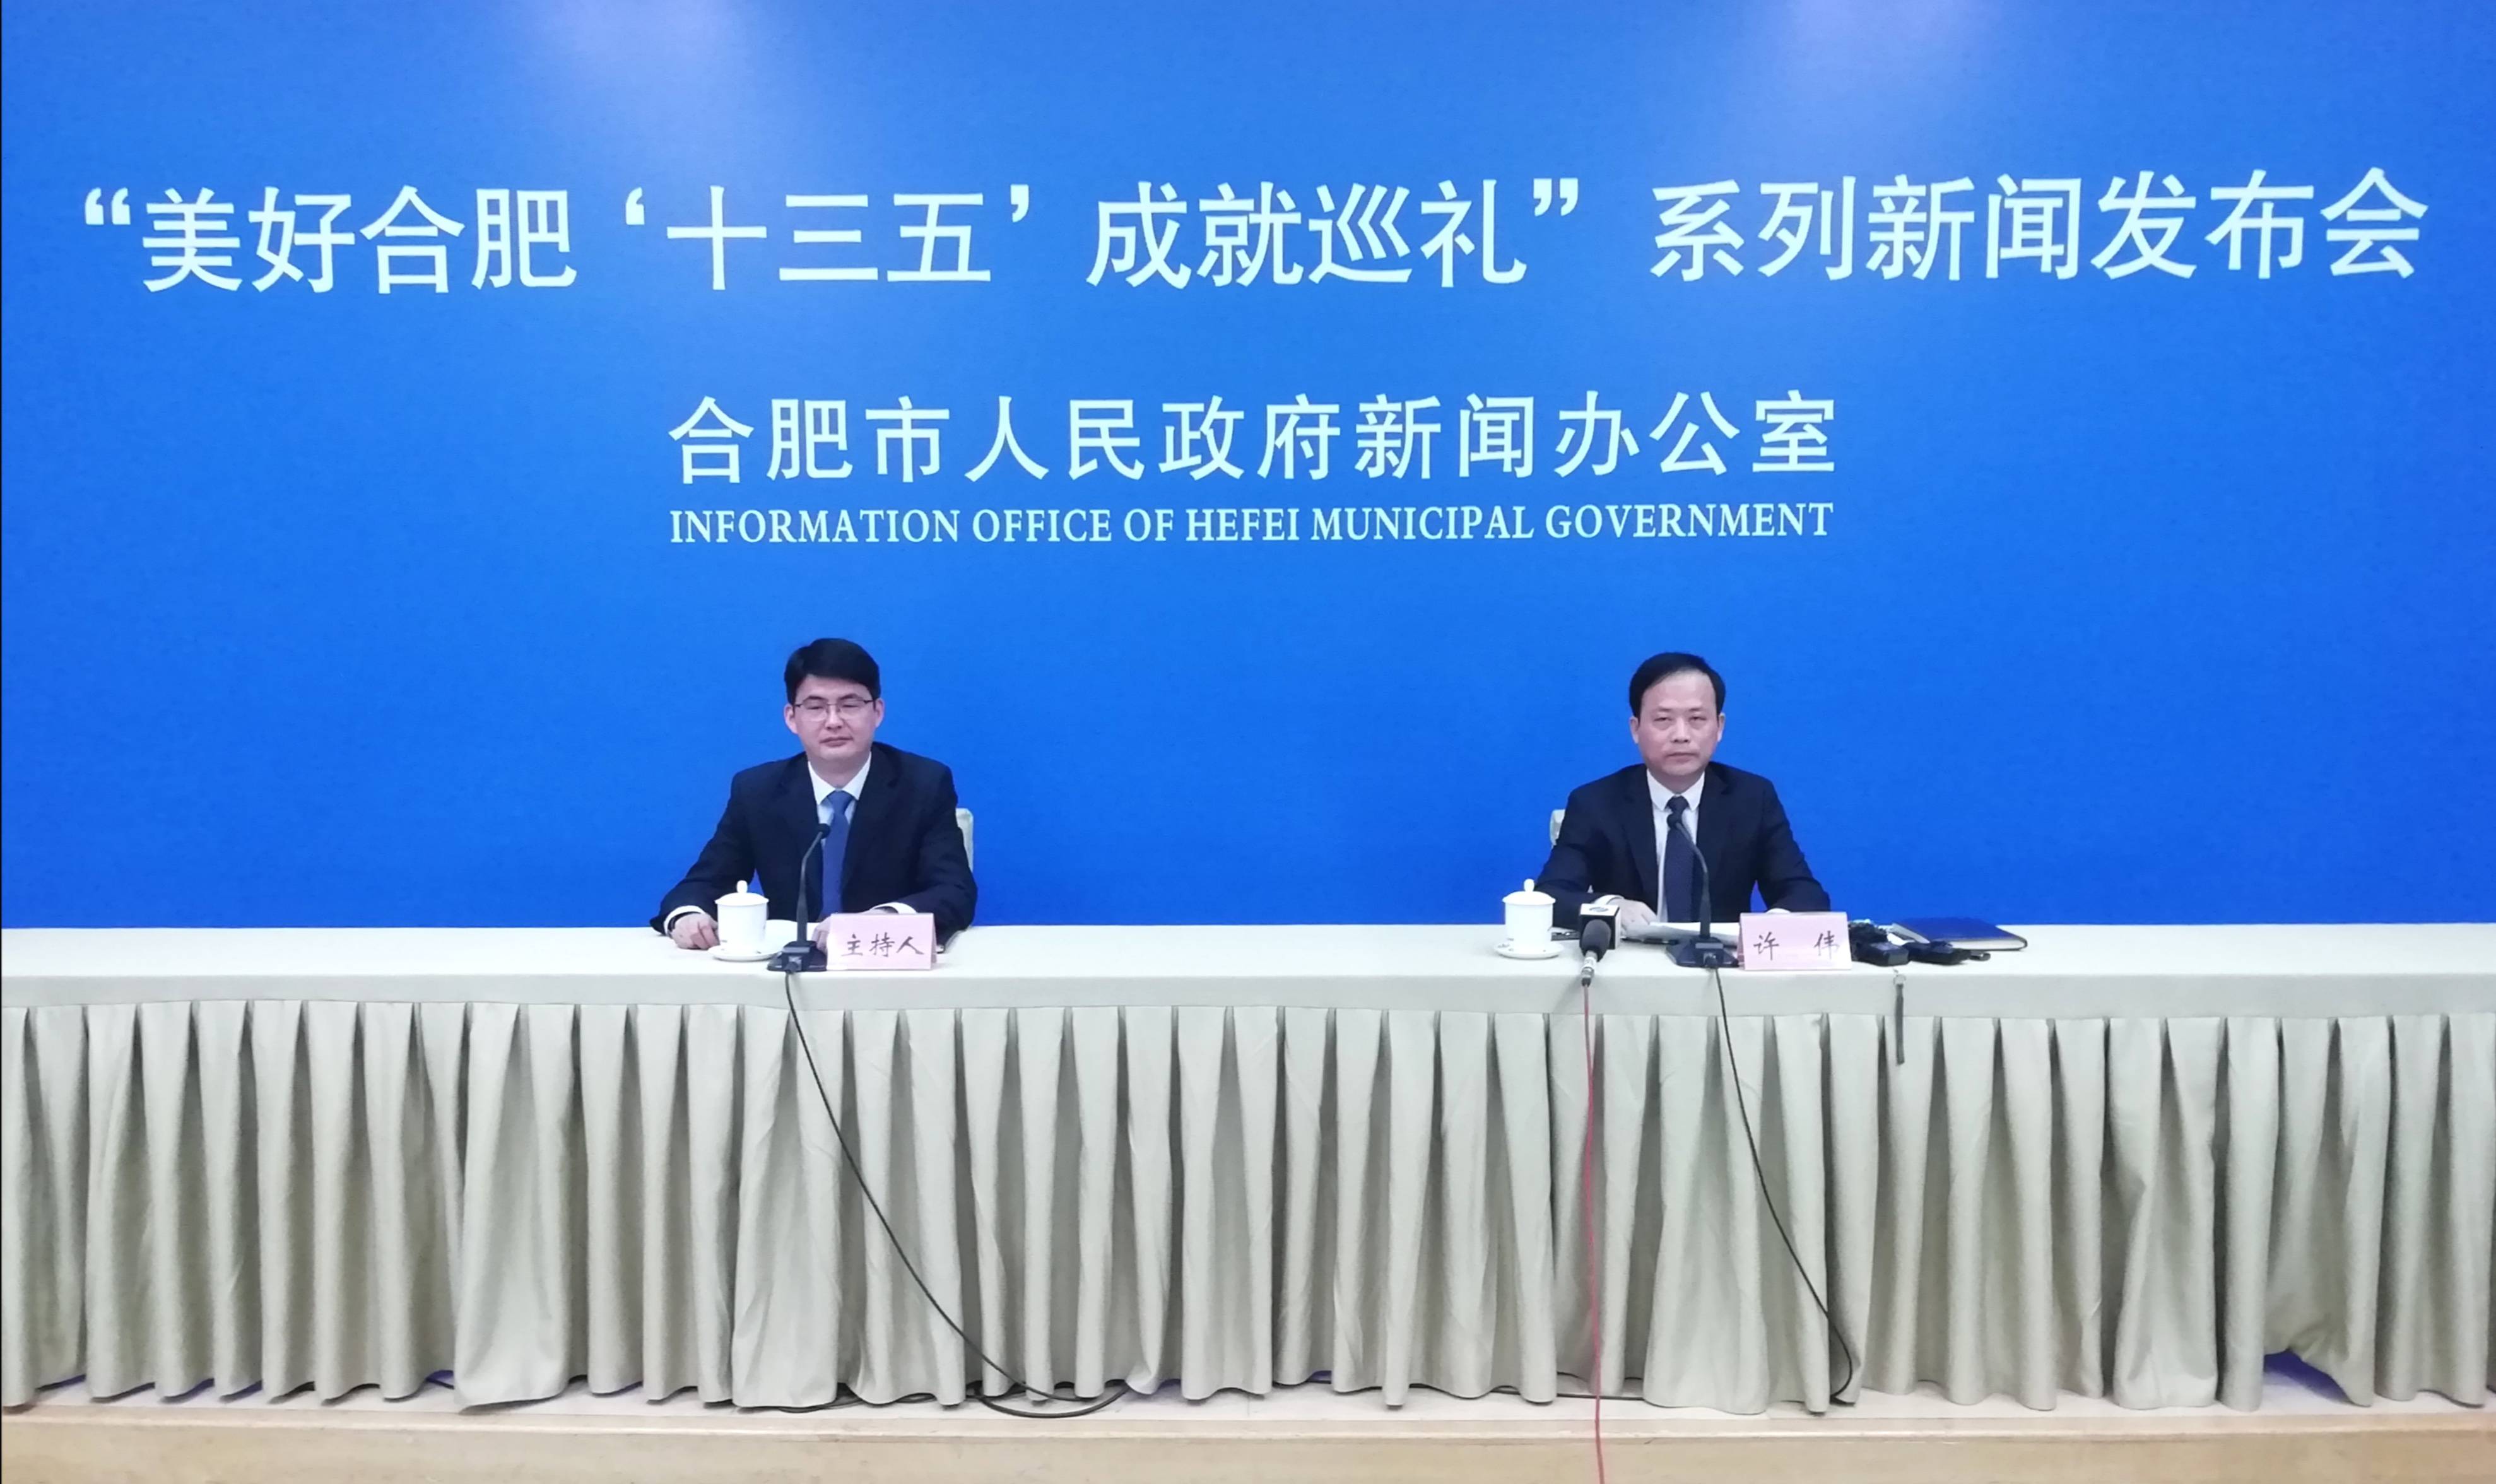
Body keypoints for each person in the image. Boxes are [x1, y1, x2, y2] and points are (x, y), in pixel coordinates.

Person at [655, 639, 975, 947]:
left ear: (877, 712)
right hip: (789, 970)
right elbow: (705, 882)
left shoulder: (924, 784)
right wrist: (687, 916)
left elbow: (954, 891)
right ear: (792, 718)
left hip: (886, 964)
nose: (833, 721)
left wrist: (881, 920)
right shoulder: (757, 791)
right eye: (816, 707)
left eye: (850, 705)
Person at [1537, 652, 1828, 931]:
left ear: (1719, 727)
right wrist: (1609, 906)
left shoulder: (1752, 798)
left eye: (1696, 719)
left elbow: (1804, 893)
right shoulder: (1595, 803)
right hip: (1629, 959)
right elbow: (1550, 895)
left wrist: (1774, 924)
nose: (1681, 735)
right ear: (1636, 729)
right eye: (1663, 720)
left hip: (1720, 961)